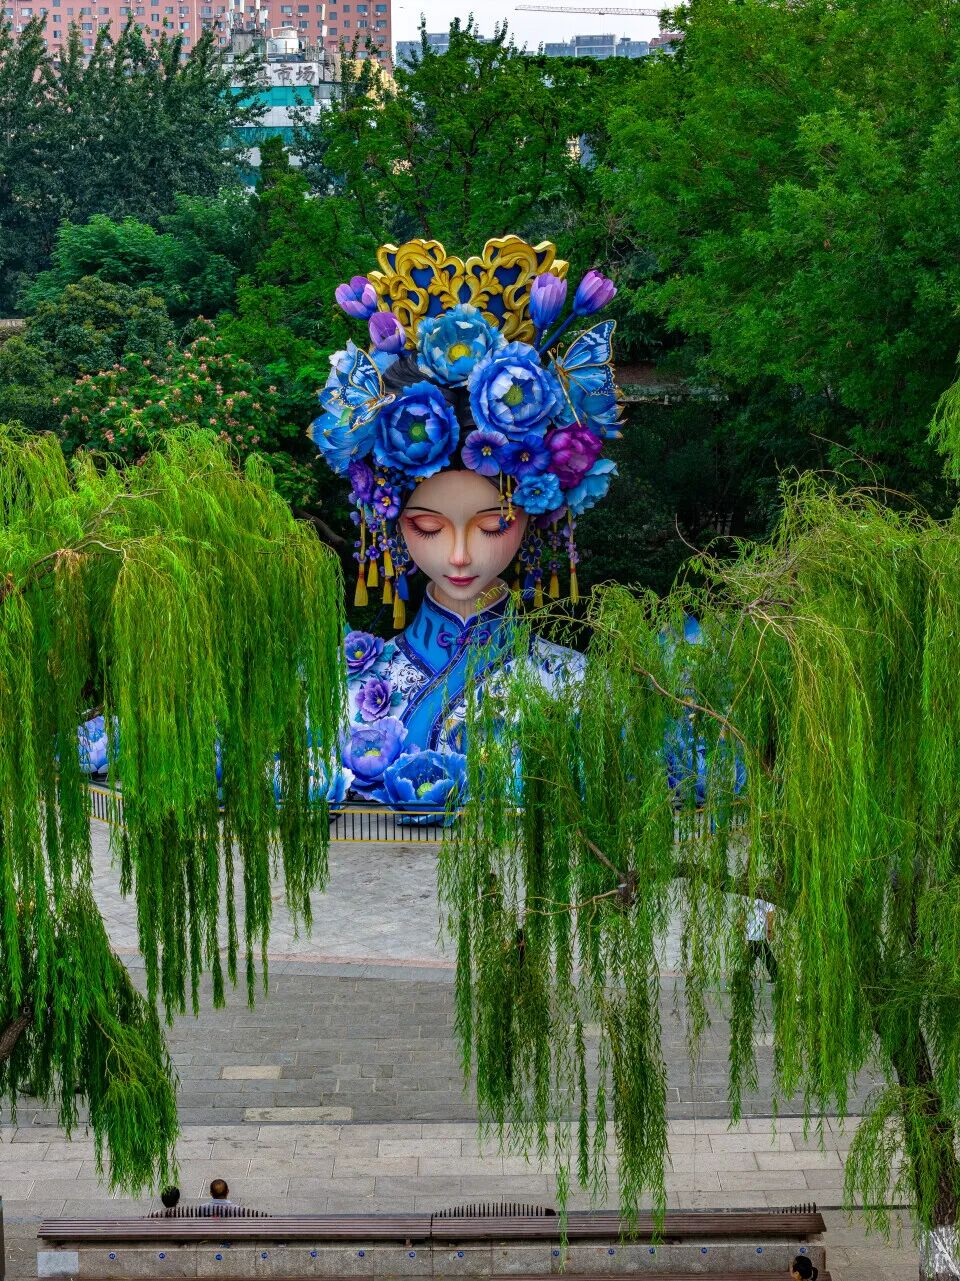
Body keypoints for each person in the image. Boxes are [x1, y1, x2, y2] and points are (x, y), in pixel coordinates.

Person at [311, 236, 622, 812]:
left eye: (492, 526)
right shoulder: (342, 691)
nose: (458, 556)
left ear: (537, 515)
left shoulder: (582, 688)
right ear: (387, 524)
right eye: (428, 529)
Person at [747, 898, 777, 981]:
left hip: (758, 932)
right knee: (762, 954)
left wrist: (769, 930)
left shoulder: (765, 897)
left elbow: (770, 913)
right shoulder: (751, 896)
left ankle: (741, 977)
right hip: (752, 932)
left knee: (755, 954)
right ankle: (777, 975)